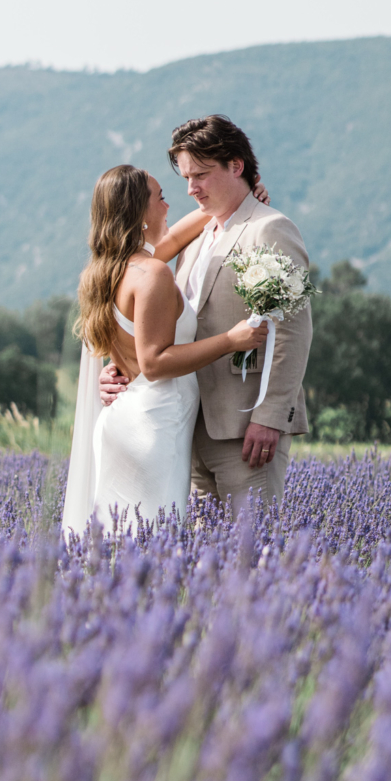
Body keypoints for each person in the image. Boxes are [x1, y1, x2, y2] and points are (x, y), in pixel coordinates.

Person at [99, 115, 313, 516]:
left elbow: (291, 331)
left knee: (251, 559)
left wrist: (270, 416)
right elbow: (143, 308)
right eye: (184, 178)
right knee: (203, 566)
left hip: (245, 429)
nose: (191, 189)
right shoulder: (195, 238)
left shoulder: (270, 229)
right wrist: (119, 365)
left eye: (201, 174)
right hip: (185, 427)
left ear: (236, 166)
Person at [62, 165, 269, 536]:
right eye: (160, 197)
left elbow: (177, 236)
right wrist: (231, 341)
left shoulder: (108, 272)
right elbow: (154, 363)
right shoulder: (153, 274)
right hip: (155, 425)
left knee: (118, 540)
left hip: (127, 420)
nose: (169, 205)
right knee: (152, 540)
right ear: (141, 213)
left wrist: (238, 201)